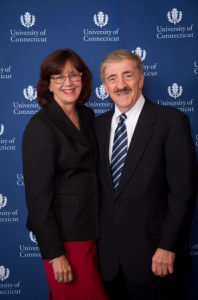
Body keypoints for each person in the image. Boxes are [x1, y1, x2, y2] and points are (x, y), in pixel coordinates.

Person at [93, 49, 197, 300]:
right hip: (109, 266)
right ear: (105, 87)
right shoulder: (96, 127)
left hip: (157, 260)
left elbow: (183, 192)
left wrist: (168, 246)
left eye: (127, 75)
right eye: (112, 78)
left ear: (141, 79)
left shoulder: (171, 121)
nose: (121, 85)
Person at [22, 48, 109, 300]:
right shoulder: (41, 127)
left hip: (94, 228)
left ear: (83, 79)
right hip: (66, 239)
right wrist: (54, 254)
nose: (68, 82)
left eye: (74, 75)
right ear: (48, 84)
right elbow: (38, 198)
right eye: (58, 77)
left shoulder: (87, 115)